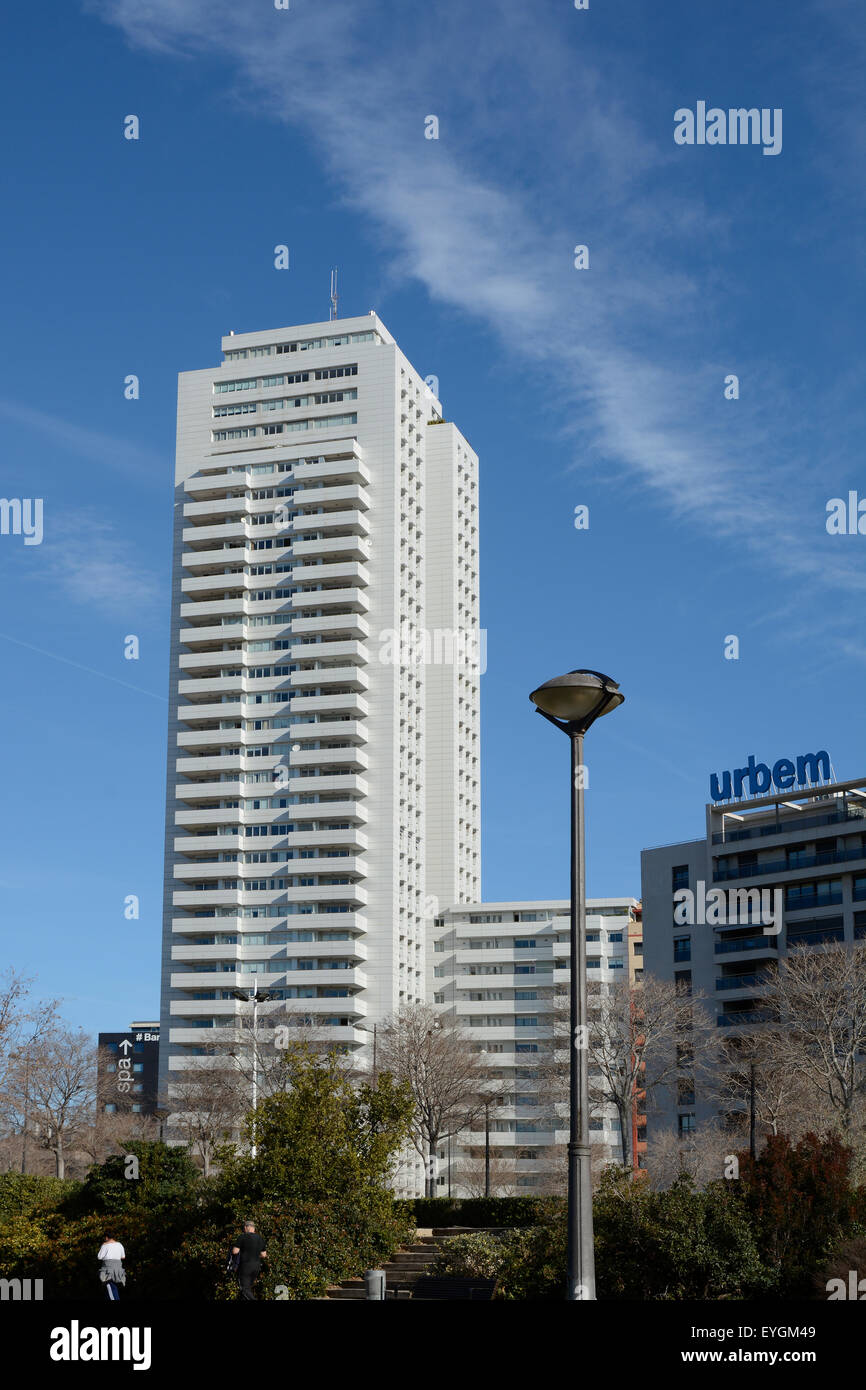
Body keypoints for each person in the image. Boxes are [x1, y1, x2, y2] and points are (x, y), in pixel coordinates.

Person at [231, 1220, 267, 1300]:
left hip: (245, 1266)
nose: (244, 1229)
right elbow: (264, 1255)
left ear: (247, 1227)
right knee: (247, 1289)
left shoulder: (242, 1237)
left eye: (244, 1227)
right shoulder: (260, 1238)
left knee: (244, 1289)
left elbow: (235, 1251)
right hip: (256, 1267)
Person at [97, 1234, 126, 1301]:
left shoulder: (105, 1245)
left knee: (110, 1286)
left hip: (108, 1269)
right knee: (112, 1288)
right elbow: (123, 1257)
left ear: (106, 1237)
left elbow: (99, 1257)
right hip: (118, 1269)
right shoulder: (119, 1244)